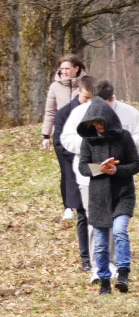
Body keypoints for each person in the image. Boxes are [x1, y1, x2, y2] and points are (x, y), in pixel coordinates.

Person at [61, 80, 139, 282]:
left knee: (117, 225)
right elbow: (67, 138)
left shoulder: (130, 113)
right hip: (91, 180)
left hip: (120, 179)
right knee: (95, 222)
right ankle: (98, 265)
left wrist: (123, 144)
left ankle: (113, 263)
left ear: (112, 99)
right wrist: (95, 146)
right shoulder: (80, 114)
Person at [76, 96, 138, 294]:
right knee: (101, 243)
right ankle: (104, 281)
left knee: (120, 231)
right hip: (99, 197)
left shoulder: (125, 137)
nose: (98, 126)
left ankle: (122, 273)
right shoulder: (87, 141)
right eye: (94, 123)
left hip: (123, 194)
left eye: (101, 122)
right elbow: (83, 167)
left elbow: (136, 164)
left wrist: (116, 171)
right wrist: (101, 168)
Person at [55, 79, 98, 278]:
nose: (88, 102)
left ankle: (101, 254)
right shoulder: (65, 113)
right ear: (78, 93)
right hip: (75, 170)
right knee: (82, 215)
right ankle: (86, 259)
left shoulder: (100, 112)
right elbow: (60, 143)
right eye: (85, 98)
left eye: (92, 98)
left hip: (100, 170)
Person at [43, 54, 87, 152]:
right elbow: (50, 112)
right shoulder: (54, 86)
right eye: (62, 68)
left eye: (67, 68)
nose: (64, 71)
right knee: (66, 164)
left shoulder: (87, 84)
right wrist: (46, 136)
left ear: (76, 68)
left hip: (83, 130)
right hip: (62, 131)